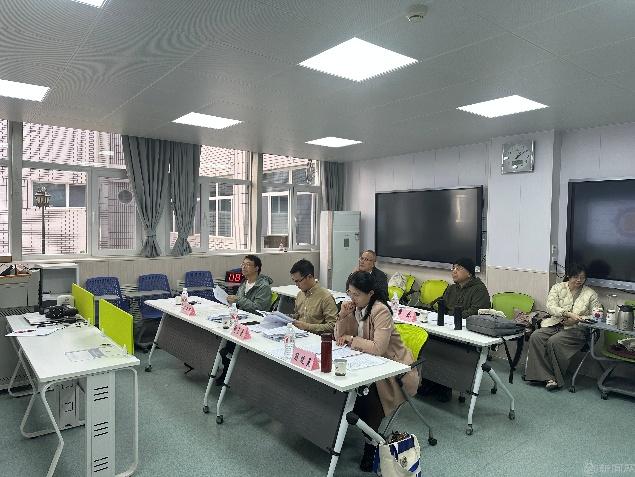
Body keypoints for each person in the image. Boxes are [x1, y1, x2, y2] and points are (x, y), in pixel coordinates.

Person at [335, 271, 419, 472]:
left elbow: (379, 348)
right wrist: (343, 316)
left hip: (394, 370)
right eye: (349, 293)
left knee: (368, 396)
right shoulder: (355, 308)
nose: (352, 298)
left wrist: (351, 339)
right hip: (367, 363)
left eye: (356, 294)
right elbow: (339, 337)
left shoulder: (380, 310)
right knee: (346, 388)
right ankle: (341, 431)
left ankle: (371, 444)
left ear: (370, 293)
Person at [422, 257, 491, 402]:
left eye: (458, 268)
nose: (454, 271)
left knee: (446, 347)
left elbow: (476, 312)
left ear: (469, 273)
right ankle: (429, 381)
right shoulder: (452, 288)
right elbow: (444, 306)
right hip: (449, 327)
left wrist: (451, 314)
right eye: (453, 268)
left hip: (467, 332)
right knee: (429, 341)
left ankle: (445, 386)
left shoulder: (479, 289)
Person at [525, 263, 601, 391]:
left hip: (577, 330)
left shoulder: (591, 294)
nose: (579, 280)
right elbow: (550, 307)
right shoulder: (557, 288)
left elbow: (596, 316)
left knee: (554, 341)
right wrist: (567, 314)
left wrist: (576, 320)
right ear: (568, 276)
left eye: (582, 277)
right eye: (576, 277)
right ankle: (544, 377)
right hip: (555, 324)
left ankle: (554, 378)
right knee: (536, 336)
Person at [289, 259, 338, 334]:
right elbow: (298, 315)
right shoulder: (300, 294)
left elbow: (333, 326)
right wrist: (287, 318)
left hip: (316, 337)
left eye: (298, 281)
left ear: (309, 277)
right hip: (299, 334)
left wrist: (307, 327)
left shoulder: (325, 297)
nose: (296, 285)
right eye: (294, 281)